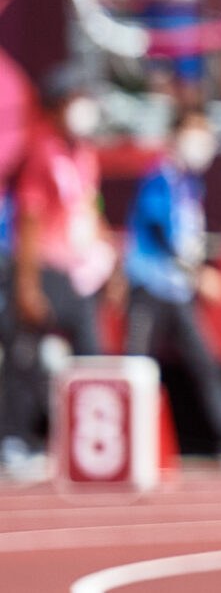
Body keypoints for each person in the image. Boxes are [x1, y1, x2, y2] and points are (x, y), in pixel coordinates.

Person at [123, 106, 221, 462]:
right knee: (137, 365)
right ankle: (125, 441)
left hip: (177, 289)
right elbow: (159, 231)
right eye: (196, 131)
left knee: (204, 362)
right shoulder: (159, 176)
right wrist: (200, 274)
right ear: (176, 135)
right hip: (149, 284)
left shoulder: (189, 183)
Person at [0, 68, 114, 472]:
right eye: (75, 99)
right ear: (57, 106)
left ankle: (92, 444)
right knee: (25, 358)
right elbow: (29, 219)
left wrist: (110, 260)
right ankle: (13, 439)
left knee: (91, 358)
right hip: (42, 269)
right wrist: (27, 285)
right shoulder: (40, 152)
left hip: (77, 274)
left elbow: (91, 208)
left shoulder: (84, 154)